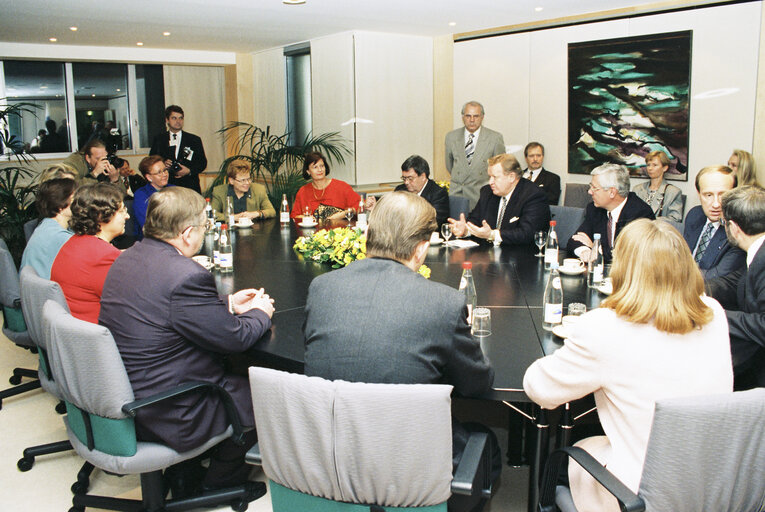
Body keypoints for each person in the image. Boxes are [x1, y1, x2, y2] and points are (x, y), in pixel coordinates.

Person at [303, 191, 500, 512]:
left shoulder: (322, 289)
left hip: (331, 451)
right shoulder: (444, 303)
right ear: (422, 249)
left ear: (366, 235)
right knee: (486, 443)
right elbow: (477, 385)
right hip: (408, 461)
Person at [524, 219, 733, 512]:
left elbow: (540, 389)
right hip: (715, 481)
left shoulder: (605, 327)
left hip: (641, 492)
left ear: (622, 269)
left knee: (562, 461)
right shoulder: (713, 312)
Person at [99, 186, 274, 497]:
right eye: (204, 226)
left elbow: (165, 305)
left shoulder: (131, 256)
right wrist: (261, 313)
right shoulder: (186, 275)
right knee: (267, 390)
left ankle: (187, 469)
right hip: (171, 407)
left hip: (130, 389)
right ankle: (219, 481)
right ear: (188, 232)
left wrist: (228, 303)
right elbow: (235, 338)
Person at [707, 186, 765, 389]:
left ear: (733, 226)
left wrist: (713, 314)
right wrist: (694, 291)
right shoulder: (758, 251)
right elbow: (736, 281)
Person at [50, 182, 128, 324]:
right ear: (100, 215)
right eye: (122, 211)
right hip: (100, 335)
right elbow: (130, 302)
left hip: (74, 328)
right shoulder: (103, 256)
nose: (127, 216)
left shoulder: (74, 242)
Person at [448, 153, 550, 246]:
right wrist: (466, 230)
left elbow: (527, 234)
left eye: (495, 177)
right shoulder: (487, 192)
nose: (490, 182)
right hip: (487, 257)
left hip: (520, 258)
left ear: (511, 177)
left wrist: (492, 235)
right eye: (489, 177)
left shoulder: (533, 196)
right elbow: (475, 221)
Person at [568, 163, 654, 263]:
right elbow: (575, 240)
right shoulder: (594, 209)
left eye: (594, 188)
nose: (590, 192)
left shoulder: (640, 214)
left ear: (612, 192)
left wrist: (596, 249)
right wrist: (585, 251)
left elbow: (626, 256)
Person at [684, 165, 744, 279]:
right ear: (699, 194)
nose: (716, 204)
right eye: (708, 195)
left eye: (723, 195)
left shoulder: (739, 229)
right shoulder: (694, 215)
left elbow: (715, 276)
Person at [445, 101, 505, 209]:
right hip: (458, 194)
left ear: (482, 117)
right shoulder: (451, 137)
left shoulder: (495, 138)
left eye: (476, 116)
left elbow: (500, 169)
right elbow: (450, 165)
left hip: (482, 195)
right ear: (463, 117)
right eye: (468, 116)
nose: (472, 120)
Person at [21, 178, 76, 279]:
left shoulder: (46, 225)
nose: (78, 203)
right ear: (60, 206)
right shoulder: (60, 237)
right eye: (73, 199)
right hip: (51, 291)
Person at [149, 105, 207, 193]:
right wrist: (163, 163)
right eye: (174, 118)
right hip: (167, 186)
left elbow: (202, 163)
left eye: (180, 118)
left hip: (190, 186)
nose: (178, 121)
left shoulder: (194, 140)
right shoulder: (159, 139)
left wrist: (189, 171)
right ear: (167, 120)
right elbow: (151, 161)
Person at [290, 151, 360, 221]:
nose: (320, 170)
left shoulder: (342, 187)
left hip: (339, 230)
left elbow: (359, 205)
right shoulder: (303, 192)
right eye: (315, 167)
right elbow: (294, 216)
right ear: (308, 171)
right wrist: (306, 217)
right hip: (311, 231)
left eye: (322, 166)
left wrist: (344, 214)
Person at [393, 154, 449, 227]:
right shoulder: (400, 190)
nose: (406, 182)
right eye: (404, 178)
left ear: (423, 176)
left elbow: (434, 222)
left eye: (410, 178)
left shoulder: (438, 194)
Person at [210, 161, 275, 222]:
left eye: (248, 179)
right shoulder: (219, 192)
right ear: (231, 181)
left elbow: (271, 211)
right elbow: (212, 214)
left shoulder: (258, 190)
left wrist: (256, 214)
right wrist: (233, 217)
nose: (247, 183)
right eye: (243, 180)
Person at [632, 150, 683, 222]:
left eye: (654, 165)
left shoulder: (673, 192)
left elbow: (675, 220)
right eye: (648, 165)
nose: (650, 168)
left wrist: (651, 221)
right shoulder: (637, 189)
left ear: (665, 168)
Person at [133, 155, 173, 239]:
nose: (164, 174)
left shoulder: (174, 189)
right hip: (151, 240)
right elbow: (147, 225)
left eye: (165, 170)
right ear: (149, 177)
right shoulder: (141, 195)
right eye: (159, 172)